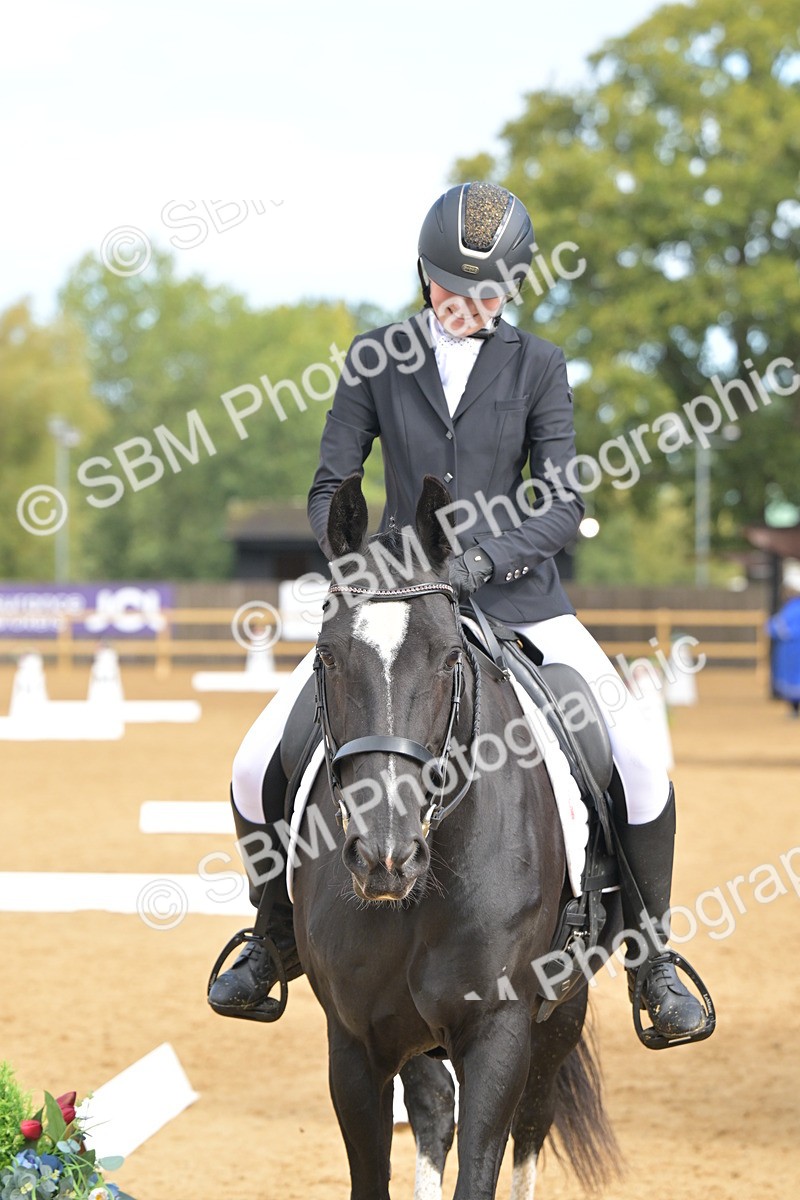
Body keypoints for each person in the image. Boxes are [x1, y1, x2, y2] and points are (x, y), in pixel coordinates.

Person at [208, 181, 706, 1041]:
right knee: (257, 764)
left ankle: (651, 961)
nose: (468, 305)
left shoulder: (539, 365)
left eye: (488, 292)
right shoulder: (375, 356)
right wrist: (361, 568)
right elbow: (333, 483)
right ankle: (272, 936)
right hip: (398, 609)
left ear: (511, 289)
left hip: (520, 600)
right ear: (422, 275)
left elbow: (557, 503)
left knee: (639, 756)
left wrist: (476, 561)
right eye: (451, 287)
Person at [767, 569, 800, 717]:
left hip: (793, 649)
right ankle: (793, 709)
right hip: (789, 650)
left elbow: (780, 627)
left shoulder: (793, 608)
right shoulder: (789, 607)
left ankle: (794, 710)